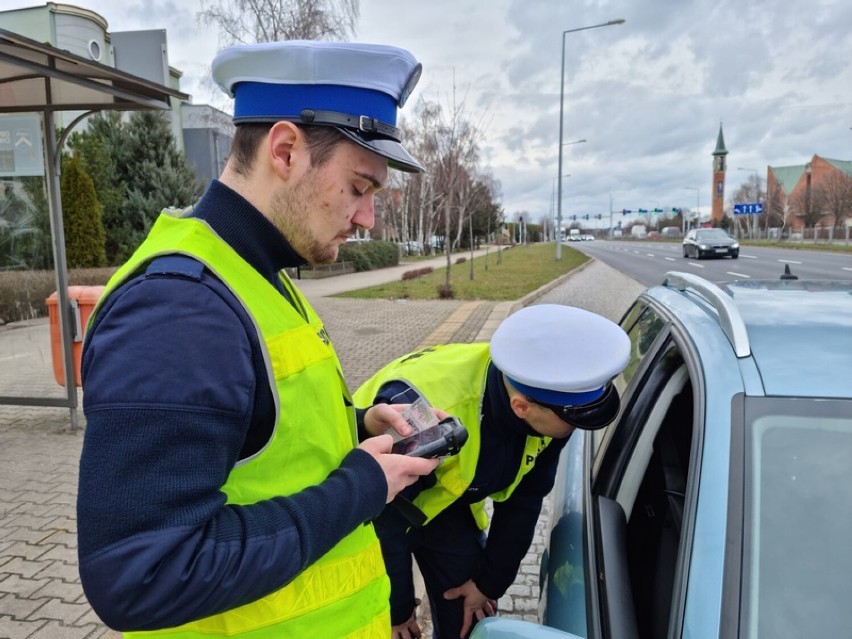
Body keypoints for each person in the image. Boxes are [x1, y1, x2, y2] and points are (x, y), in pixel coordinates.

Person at [76, 40, 440, 638]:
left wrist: (358, 429)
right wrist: (360, 488)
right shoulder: (178, 307)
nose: (368, 218)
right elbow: (142, 574)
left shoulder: (258, 274)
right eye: (358, 187)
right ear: (286, 150)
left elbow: (254, 440)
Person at [353, 304, 631, 639]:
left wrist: (488, 583)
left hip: (443, 505)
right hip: (369, 509)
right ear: (521, 408)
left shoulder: (547, 408)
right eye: (572, 422)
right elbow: (384, 519)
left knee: (470, 615)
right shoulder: (432, 418)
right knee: (383, 626)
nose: (576, 430)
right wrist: (396, 611)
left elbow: (524, 500)